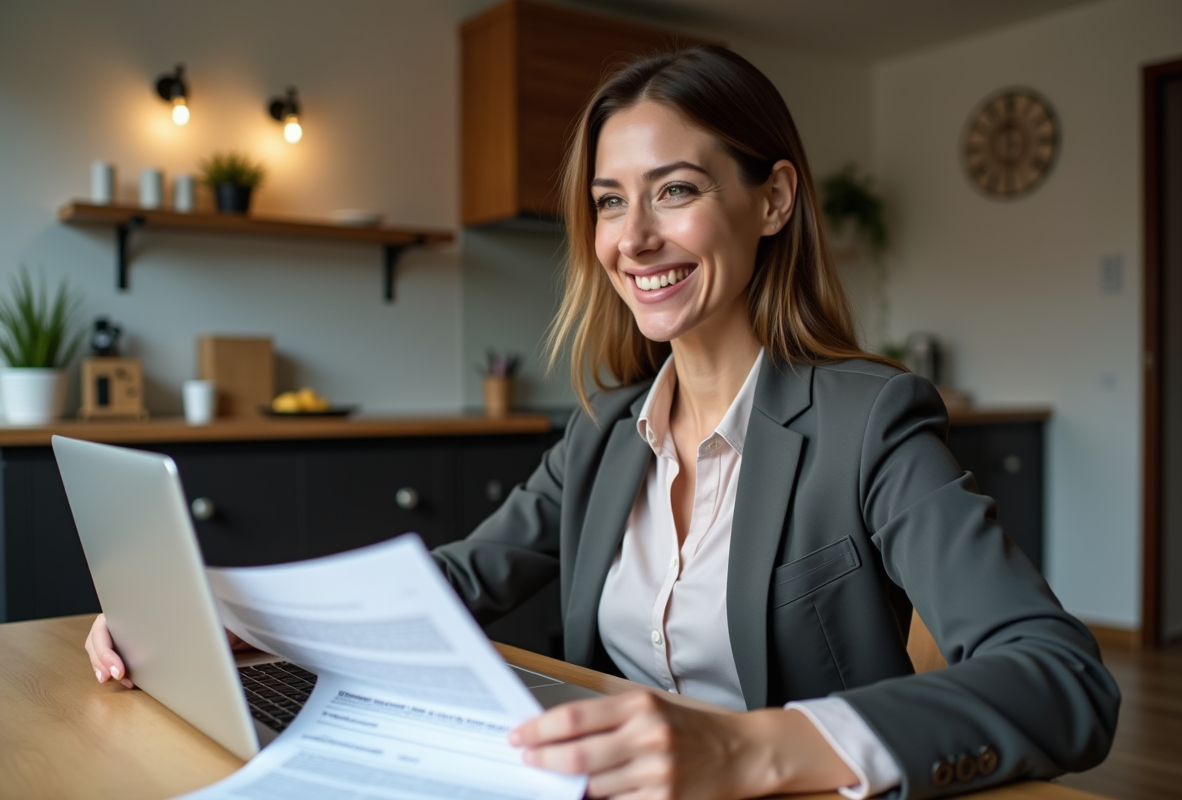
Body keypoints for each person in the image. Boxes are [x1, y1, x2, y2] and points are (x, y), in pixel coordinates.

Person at [86, 45, 1119, 799]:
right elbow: (459, 580)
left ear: (772, 200)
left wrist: (750, 747)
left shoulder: (869, 421)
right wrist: (241, 619)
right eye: (609, 202)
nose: (634, 238)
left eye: (675, 191)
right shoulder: (604, 431)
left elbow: (1061, 675)